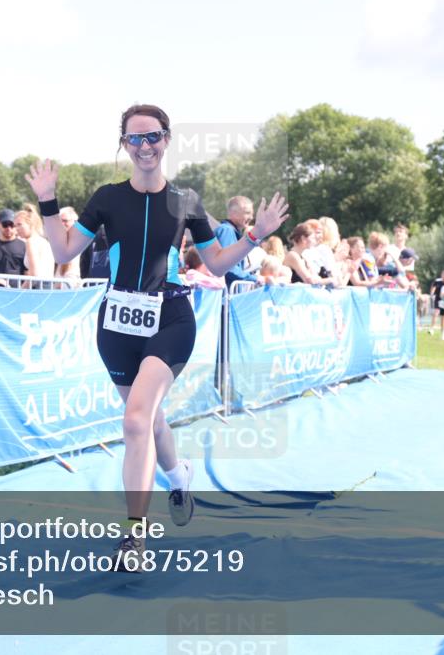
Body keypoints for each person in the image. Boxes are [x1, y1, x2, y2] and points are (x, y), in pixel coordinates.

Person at [24, 104, 289, 571]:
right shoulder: (107, 197)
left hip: (170, 320)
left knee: (134, 420)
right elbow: (63, 251)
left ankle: (134, 536)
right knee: (149, 419)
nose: (144, 146)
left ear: (166, 140)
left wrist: (255, 236)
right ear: (124, 144)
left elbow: (216, 264)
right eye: (134, 138)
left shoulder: (186, 201)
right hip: (116, 326)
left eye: (152, 137)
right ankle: (178, 476)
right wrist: (47, 201)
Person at [214, 196, 259, 287]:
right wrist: (256, 279)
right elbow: (227, 266)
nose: (251, 217)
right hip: (226, 293)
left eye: (252, 214)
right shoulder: (227, 231)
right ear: (233, 213)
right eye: (247, 213)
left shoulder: (231, 232)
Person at [16, 205, 57, 285]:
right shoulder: (44, 241)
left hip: (39, 287)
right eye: (15, 225)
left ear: (30, 224)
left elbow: (34, 275)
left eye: (19, 224)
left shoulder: (31, 242)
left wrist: (21, 290)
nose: (16, 228)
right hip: (47, 286)